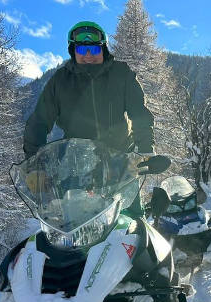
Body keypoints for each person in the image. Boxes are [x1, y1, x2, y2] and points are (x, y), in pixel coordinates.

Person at [23, 21, 154, 217]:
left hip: (120, 165)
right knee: (72, 226)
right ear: (73, 51)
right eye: (82, 49)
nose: (88, 55)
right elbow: (39, 121)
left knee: (131, 222)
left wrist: (145, 151)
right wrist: (34, 165)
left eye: (93, 48)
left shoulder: (122, 74)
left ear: (103, 49)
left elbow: (139, 113)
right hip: (75, 168)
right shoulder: (60, 81)